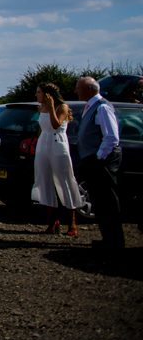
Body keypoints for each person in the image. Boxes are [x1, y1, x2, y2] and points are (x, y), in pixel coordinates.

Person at [75, 76, 123, 254]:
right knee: (100, 201)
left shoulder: (102, 107)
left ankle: (115, 242)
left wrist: (99, 157)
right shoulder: (91, 106)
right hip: (93, 159)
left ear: (89, 89)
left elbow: (111, 136)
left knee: (108, 201)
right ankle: (108, 239)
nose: (76, 91)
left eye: (78, 88)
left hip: (101, 160)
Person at [31, 83, 82, 237]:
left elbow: (55, 125)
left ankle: (72, 222)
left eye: (39, 92)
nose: (36, 95)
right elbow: (42, 128)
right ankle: (52, 221)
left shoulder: (62, 107)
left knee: (64, 181)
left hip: (58, 145)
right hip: (44, 145)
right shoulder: (41, 108)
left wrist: (52, 106)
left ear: (48, 94)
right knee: (44, 181)